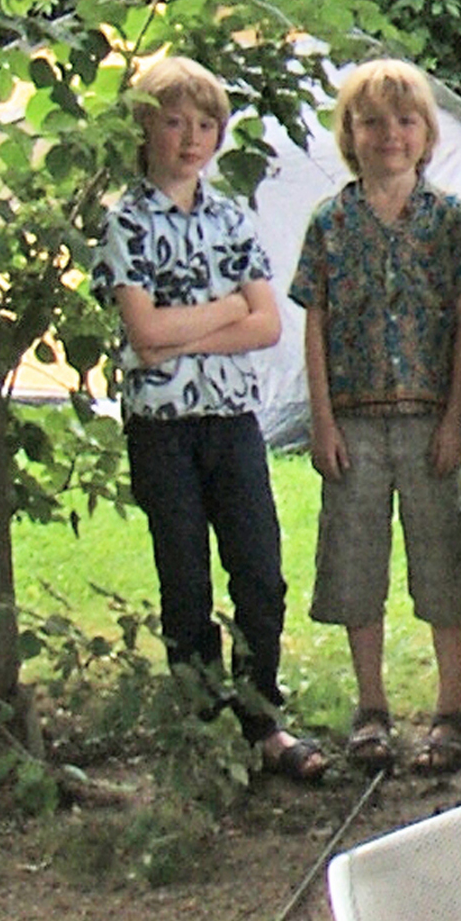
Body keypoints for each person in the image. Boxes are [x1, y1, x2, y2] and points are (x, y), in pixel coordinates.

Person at [96, 51, 324, 782]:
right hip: (163, 428)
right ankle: (198, 732)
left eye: (205, 125)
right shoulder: (125, 222)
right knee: (186, 580)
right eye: (174, 123)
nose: (191, 139)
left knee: (259, 572)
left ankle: (263, 722)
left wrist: (193, 322)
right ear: (147, 130)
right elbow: (144, 336)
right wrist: (223, 309)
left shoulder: (231, 216)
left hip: (232, 420)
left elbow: (265, 327)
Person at [292, 60, 461, 776]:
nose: (390, 135)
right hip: (353, 421)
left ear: (427, 133)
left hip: (427, 419)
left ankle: (451, 705)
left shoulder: (449, 221)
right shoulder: (330, 223)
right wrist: (320, 421)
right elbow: (314, 325)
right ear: (351, 134)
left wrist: (456, 417)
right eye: (373, 122)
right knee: (354, 559)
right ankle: (370, 707)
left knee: (442, 555)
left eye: (406, 121)